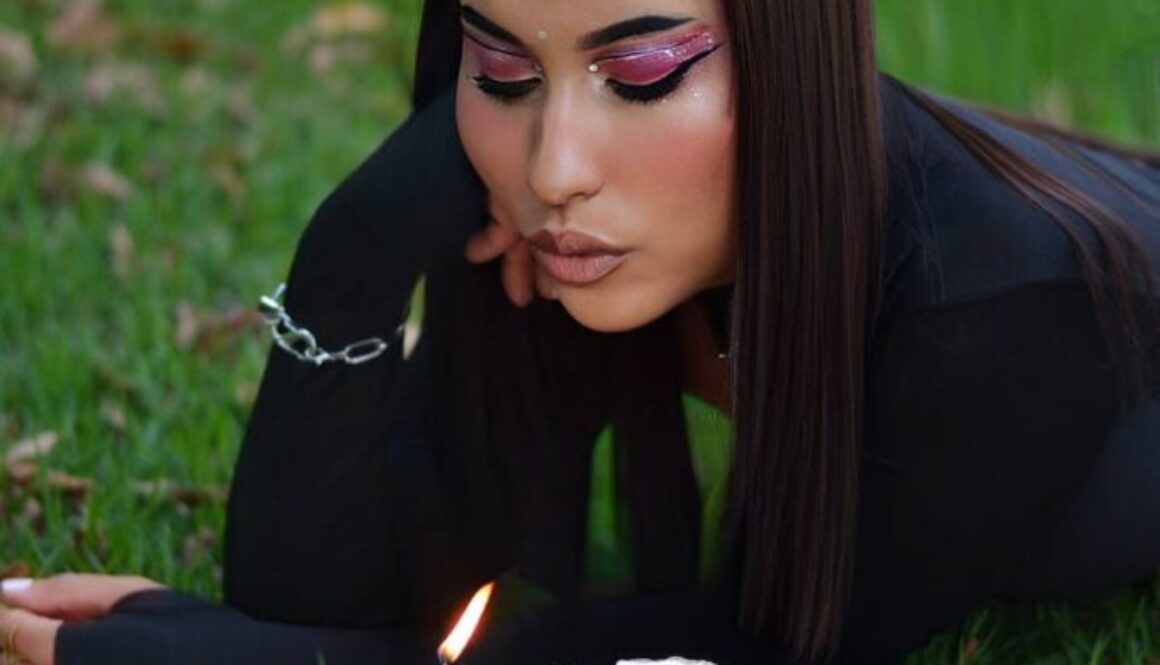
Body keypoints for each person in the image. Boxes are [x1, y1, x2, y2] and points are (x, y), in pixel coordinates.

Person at [2, 0, 1159, 663]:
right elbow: (324, 587)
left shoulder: (1000, 299)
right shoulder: (581, 246)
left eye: (642, 72)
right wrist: (351, 250)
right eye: (501, 67)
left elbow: (747, 650)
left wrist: (216, 659)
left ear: (787, 64)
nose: (553, 167)